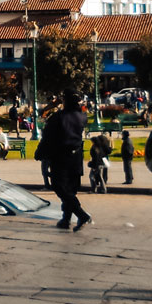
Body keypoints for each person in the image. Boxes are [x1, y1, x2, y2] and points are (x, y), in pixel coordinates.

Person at [36, 91, 90, 231]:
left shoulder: (59, 117)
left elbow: (47, 137)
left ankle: (81, 214)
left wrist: (40, 153)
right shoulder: (82, 117)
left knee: (59, 186)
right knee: (71, 189)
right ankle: (66, 219)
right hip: (76, 156)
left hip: (61, 156)